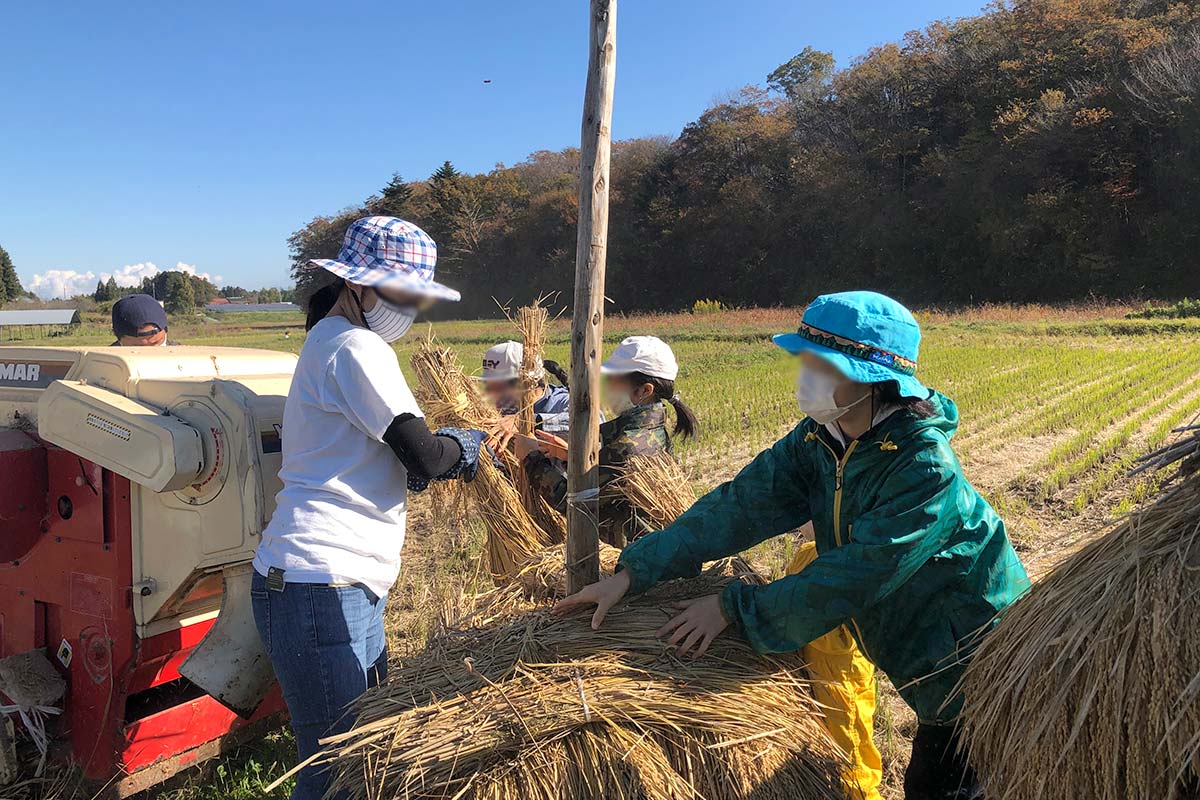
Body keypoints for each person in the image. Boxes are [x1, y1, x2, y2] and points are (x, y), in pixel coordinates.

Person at [555, 292, 1030, 800]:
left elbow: (854, 576)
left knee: (953, 784)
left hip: (979, 655)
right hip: (921, 654)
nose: (807, 375)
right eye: (804, 360)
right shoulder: (820, 439)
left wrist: (732, 607)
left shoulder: (921, 465)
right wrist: (633, 572)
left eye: (822, 364)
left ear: (874, 377)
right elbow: (739, 506)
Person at [251, 216, 484, 800]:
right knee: (339, 773)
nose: (410, 307)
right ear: (356, 285)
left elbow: (385, 458)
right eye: (402, 292)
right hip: (320, 583)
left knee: (361, 755)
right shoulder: (356, 348)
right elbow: (426, 457)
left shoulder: (330, 340)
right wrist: (470, 446)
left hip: (327, 584)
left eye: (415, 296)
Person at [522, 335, 698, 546]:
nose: (606, 386)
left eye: (614, 380)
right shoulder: (650, 430)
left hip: (633, 560)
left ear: (645, 390)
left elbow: (575, 503)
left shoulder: (629, 448)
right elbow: (606, 477)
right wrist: (574, 457)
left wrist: (531, 458)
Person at [476, 340, 571, 441]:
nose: (492, 391)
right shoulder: (504, 407)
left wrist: (524, 422)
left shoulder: (563, 401)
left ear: (528, 383)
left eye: (499, 386)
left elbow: (578, 420)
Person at [111, 294, 178, 346]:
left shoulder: (184, 358)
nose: (149, 353)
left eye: (156, 342)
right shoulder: (106, 361)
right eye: (138, 347)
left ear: (165, 331)